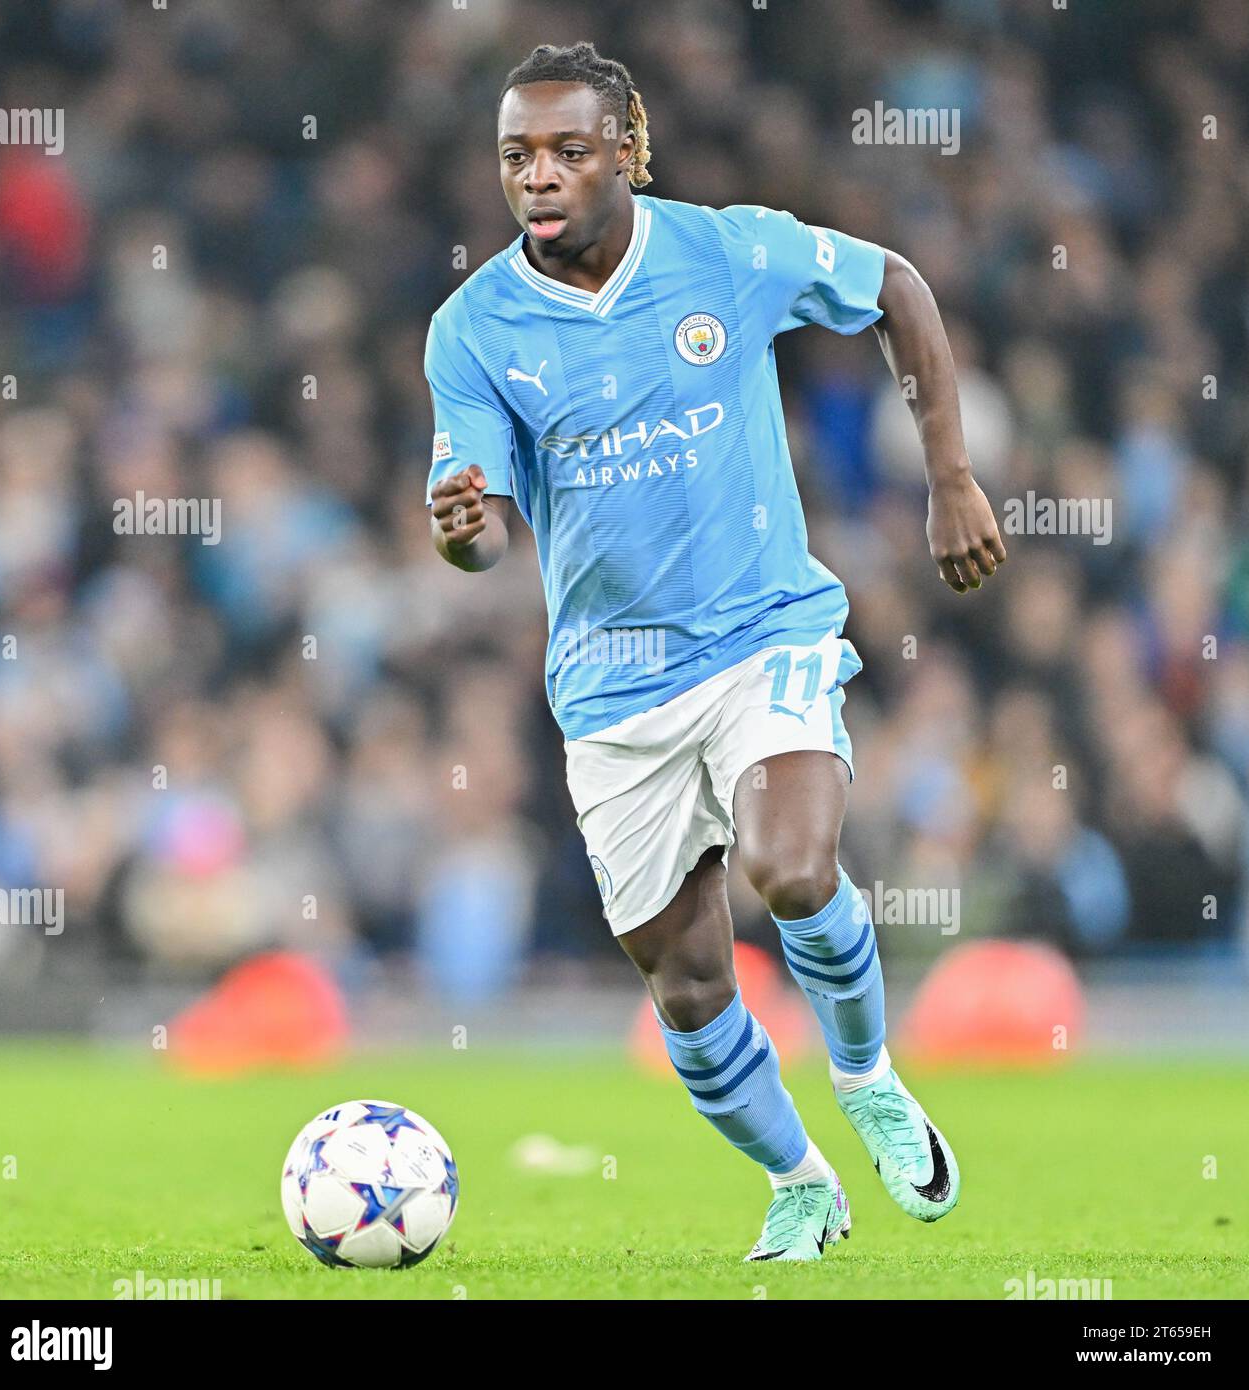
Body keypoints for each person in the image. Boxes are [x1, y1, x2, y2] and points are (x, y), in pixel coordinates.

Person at [424, 42, 1006, 1261]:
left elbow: (895, 283)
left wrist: (947, 475)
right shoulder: (471, 329)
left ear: (627, 152)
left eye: (569, 150)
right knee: (687, 985)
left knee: (790, 870)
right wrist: (467, 529)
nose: (539, 176)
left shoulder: (727, 252)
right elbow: (478, 543)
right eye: (517, 156)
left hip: (761, 634)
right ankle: (800, 1182)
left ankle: (867, 1081)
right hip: (608, 689)